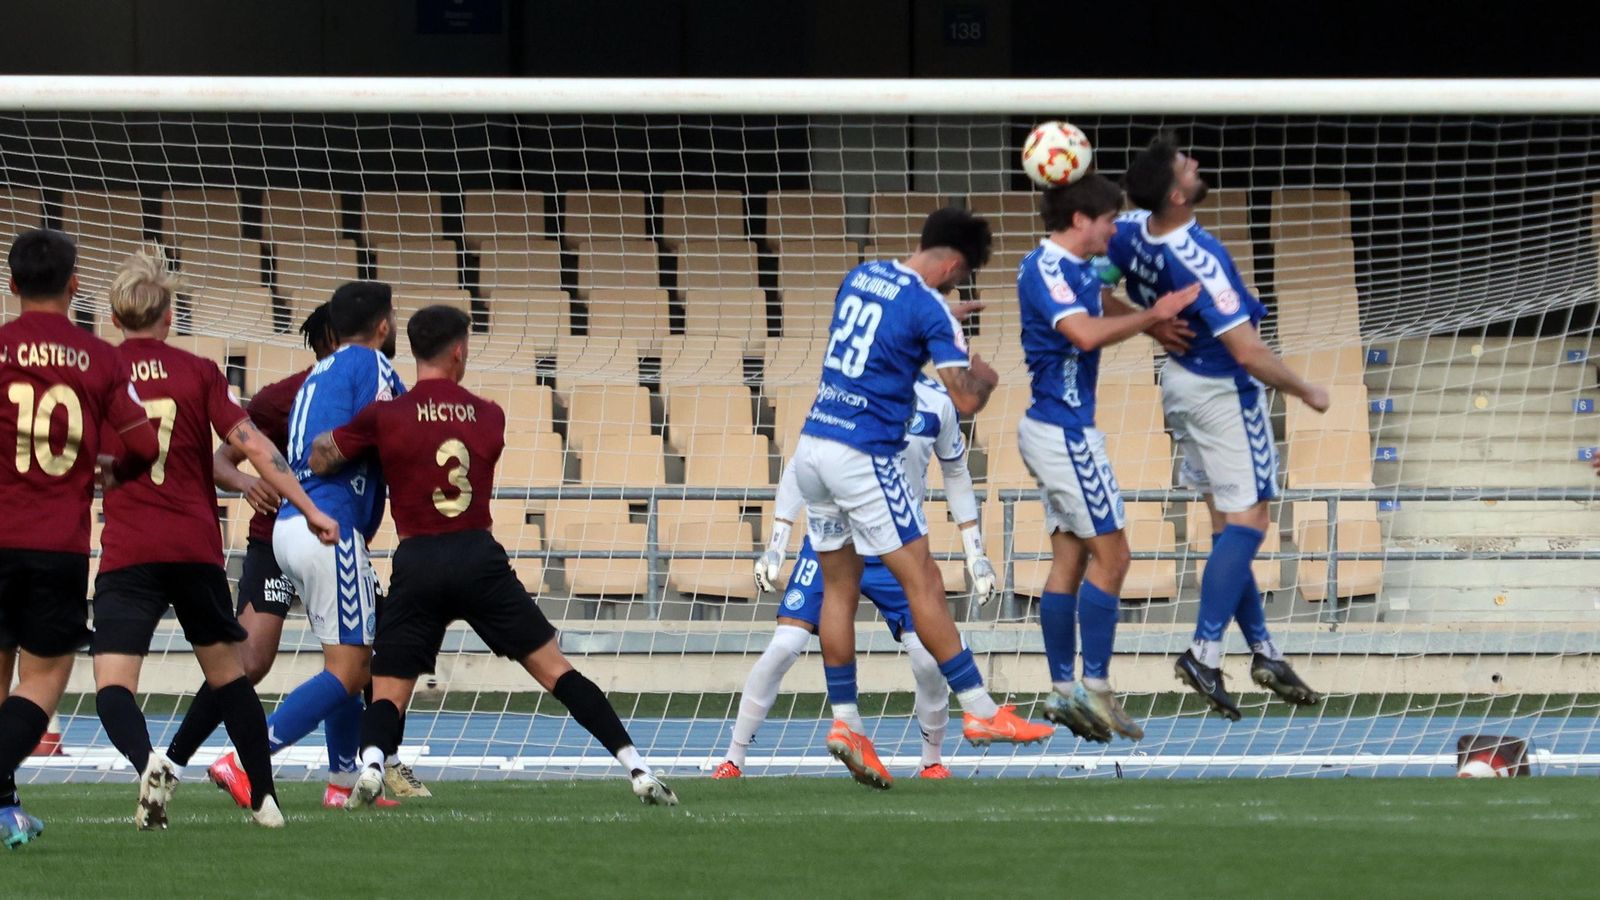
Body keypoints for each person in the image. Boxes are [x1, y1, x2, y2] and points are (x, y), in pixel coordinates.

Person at [307, 305, 676, 808]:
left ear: (412, 349)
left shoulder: (385, 416)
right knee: (556, 671)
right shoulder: (489, 415)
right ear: (459, 351)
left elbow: (321, 456)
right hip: (477, 557)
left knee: (389, 690)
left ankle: (372, 766)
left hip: (418, 559)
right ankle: (637, 768)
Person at [787, 207, 1054, 789]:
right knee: (924, 581)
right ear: (955, 265)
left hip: (813, 446)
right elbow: (964, 399)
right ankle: (981, 710)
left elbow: (886, 327)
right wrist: (984, 375)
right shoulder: (929, 307)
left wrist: (936, 318)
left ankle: (847, 722)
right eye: (962, 279)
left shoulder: (862, 274)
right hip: (864, 455)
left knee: (839, 586)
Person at [90, 253, 339, 830]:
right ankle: (266, 801)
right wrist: (308, 508)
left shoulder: (96, 372)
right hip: (193, 547)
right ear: (169, 316)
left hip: (129, 548)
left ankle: (148, 762)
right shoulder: (199, 372)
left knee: (113, 685)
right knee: (230, 678)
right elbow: (254, 446)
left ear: (115, 316)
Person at [1104, 137, 1329, 719]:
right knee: (1252, 522)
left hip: (1179, 385)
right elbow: (1247, 351)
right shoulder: (1200, 256)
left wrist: (1147, 324)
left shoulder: (1126, 231)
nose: (1196, 163)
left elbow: (1093, 288)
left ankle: (1265, 652)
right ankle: (1203, 653)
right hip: (1224, 393)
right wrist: (1306, 390)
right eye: (1186, 165)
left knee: (1228, 527)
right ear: (1178, 195)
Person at [718, 373, 996, 782]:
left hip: (895, 545)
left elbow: (956, 473)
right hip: (833, 540)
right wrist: (777, 542)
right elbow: (800, 463)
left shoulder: (938, 402)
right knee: (785, 645)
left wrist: (976, 552)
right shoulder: (843, 389)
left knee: (926, 658)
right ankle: (733, 758)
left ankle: (931, 761)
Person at [206, 282, 405, 809]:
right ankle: (246, 759)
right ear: (383, 325)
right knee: (352, 668)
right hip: (330, 527)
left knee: (345, 657)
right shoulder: (374, 365)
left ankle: (341, 781)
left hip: (291, 526)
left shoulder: (314, 376)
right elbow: (397, 431)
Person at [1014, 175, 1198, 743]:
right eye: (1108, 220)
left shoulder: (1072, 268)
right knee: (1115, 557)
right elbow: (1084, 333)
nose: (1114, 230)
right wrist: (1153, 314)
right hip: (1064, 433)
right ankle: (1095, 687)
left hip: (1056, 429)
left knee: (1070, 560)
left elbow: (1098, 301)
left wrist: (1153, 323)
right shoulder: (1047, 268)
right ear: (1079, 221)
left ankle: (1063, 690)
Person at [0, 229, 160, 849]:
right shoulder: (100, 358)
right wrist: (114, 468)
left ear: (12, 284)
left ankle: (5, 808)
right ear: (74, 286)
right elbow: (144, 443)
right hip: (56, 543)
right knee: (42, 681)